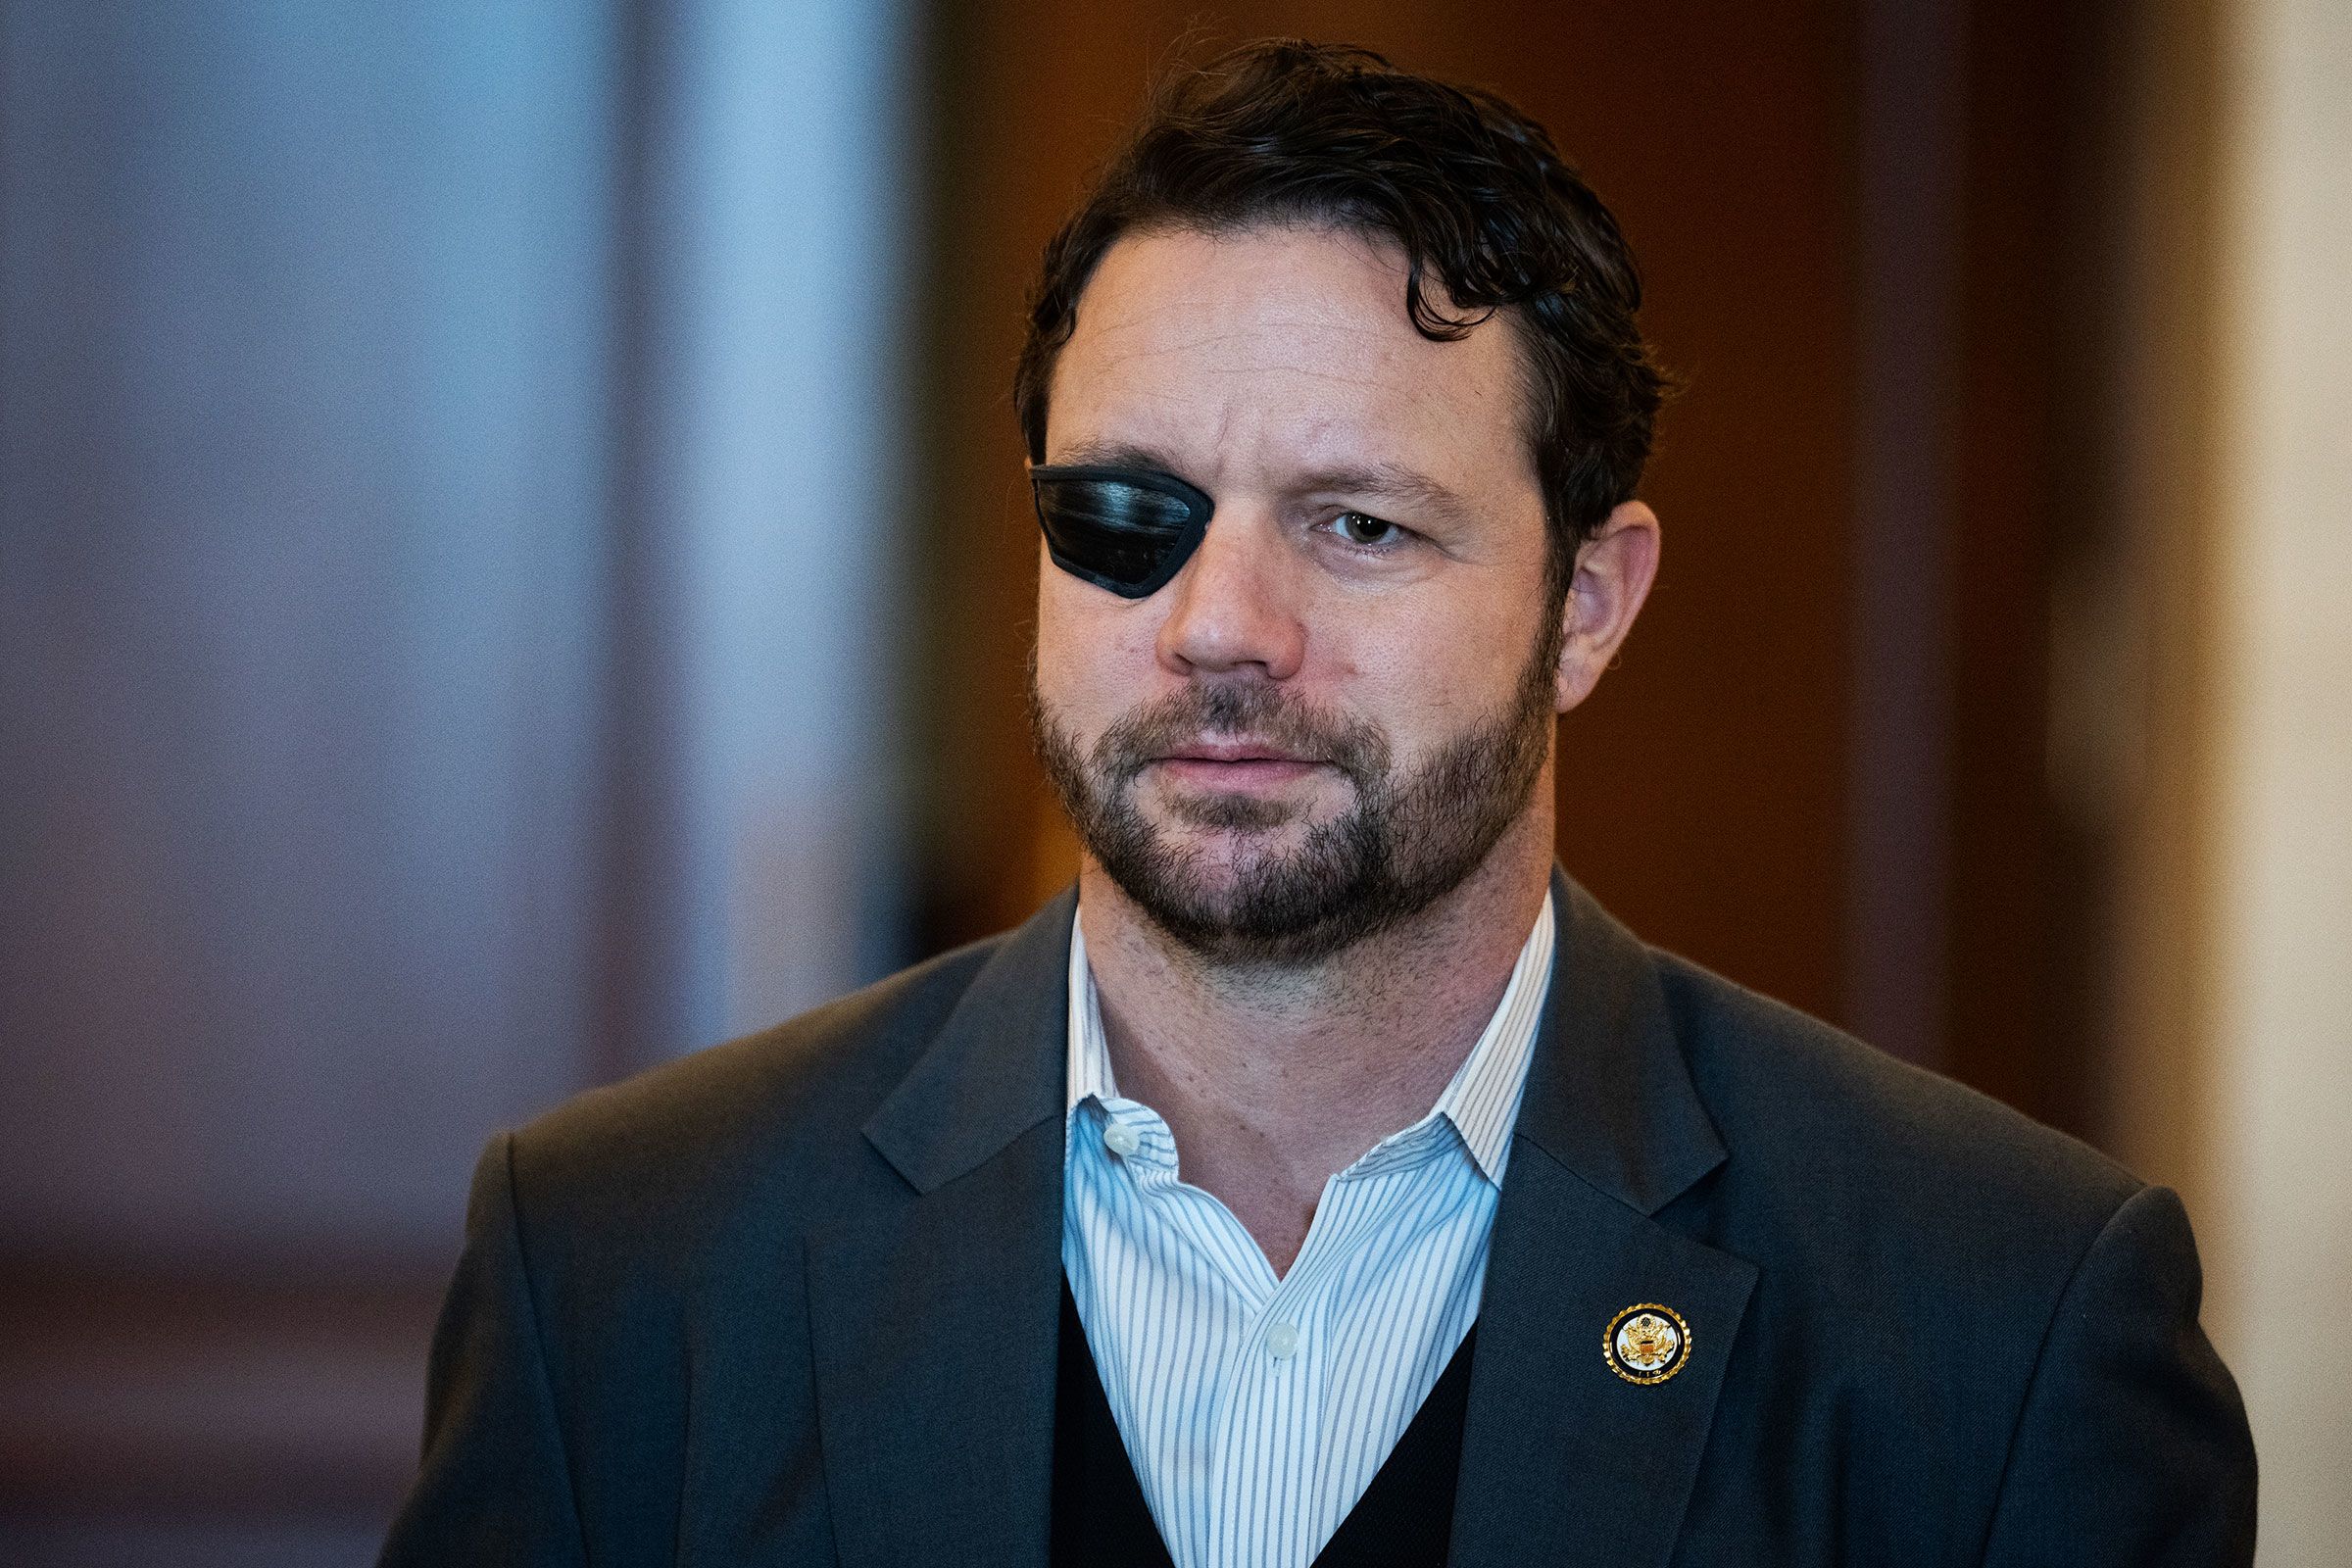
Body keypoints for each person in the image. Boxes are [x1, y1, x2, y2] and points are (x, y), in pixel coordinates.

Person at [378, 39, 2255, 1568]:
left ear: (1585, 605)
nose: (1218, 628)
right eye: (1129, 515)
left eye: (1358, 526)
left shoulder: (1998, 1325)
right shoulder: (622, 1268)